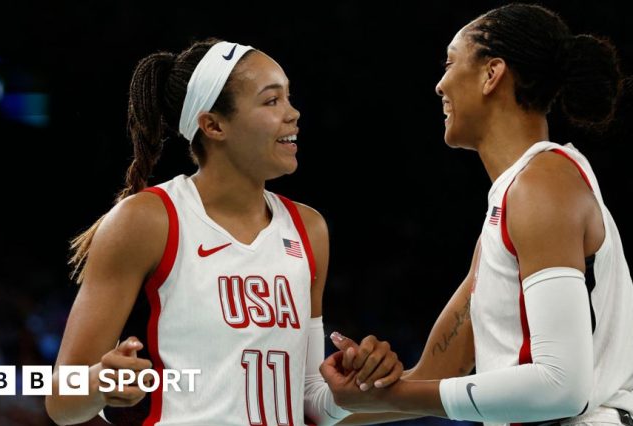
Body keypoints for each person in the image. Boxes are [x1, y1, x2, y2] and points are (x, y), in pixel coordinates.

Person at [322, 4, 633, 426]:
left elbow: (562, 387)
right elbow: (433, 377)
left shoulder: (543, 186)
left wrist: (400, 393)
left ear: (491, 73)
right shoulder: (511, 204)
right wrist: (313, 413)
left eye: (450, 63)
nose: (440, 84)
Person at [44, 38, 402, 426]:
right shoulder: (148, 219)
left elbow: (307, 399)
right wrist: (99, 384)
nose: (293, 113)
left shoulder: (309, 228)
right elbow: (61, 400)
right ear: (213, 125)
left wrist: (356, 386)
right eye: (271, 101)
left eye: (288, 97)